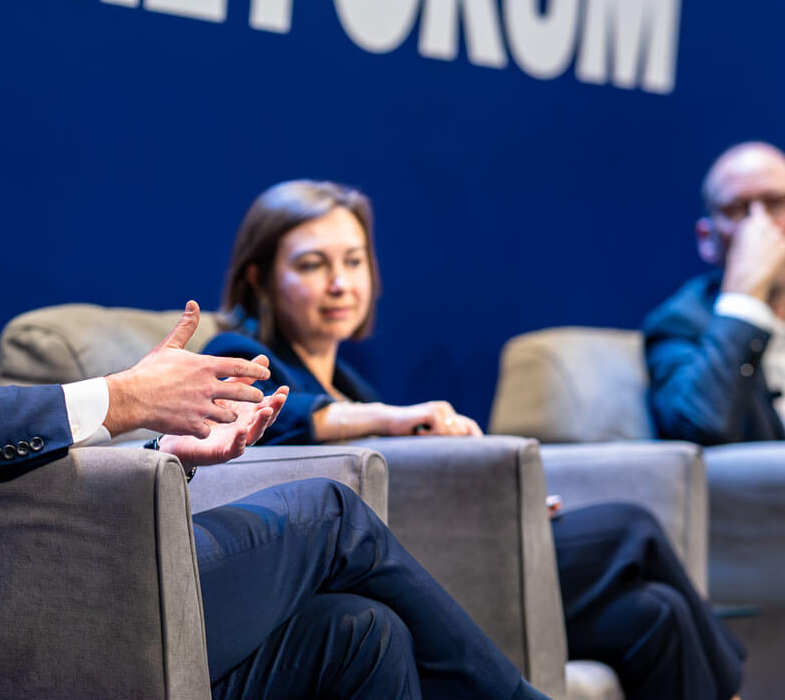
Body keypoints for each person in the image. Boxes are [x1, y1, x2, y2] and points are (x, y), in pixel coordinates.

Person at [0, 22, 549, 699]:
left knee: (363, 635)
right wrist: (120, 399)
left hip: (27, 570)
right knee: (329, 513)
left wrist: (154, 453)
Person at [204, 179, 746, 700]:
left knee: (655, 613)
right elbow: (281, 414)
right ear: (259, 278)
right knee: (630, 524)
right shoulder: (238, 353)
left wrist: (500, 506)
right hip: (387, 570)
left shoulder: (351, 383)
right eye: (312, 264)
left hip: (431, 551)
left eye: (353, 260)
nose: (341, 283)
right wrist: (389, 418)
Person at [645, 141, 785, 444]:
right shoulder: (681, 322)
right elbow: (699, 427)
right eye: (736, 210)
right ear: (707, 238)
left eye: (777, 203)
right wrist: (744, 299)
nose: (758, 226)